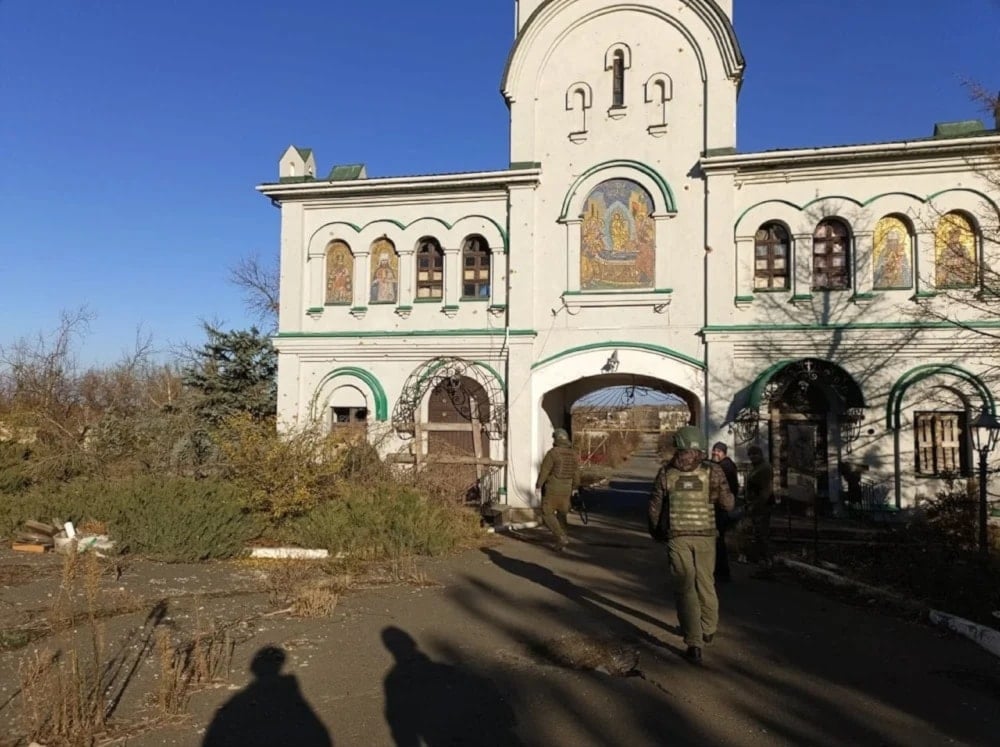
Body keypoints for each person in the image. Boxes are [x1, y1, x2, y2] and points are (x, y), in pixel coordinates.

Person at [648, 427, 735, 664]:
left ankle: (693, 642)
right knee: (705, 582)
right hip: (706, 535)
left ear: (679, 446)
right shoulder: (713, 471)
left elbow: (654, 506)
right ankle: (708, 629)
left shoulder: (666, 472)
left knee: (684, 588)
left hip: (678, 537)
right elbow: (727, 504)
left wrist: (656, 532)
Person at [535, 428, 580, 551]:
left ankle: (561, 537)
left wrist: (538, 485)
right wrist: (575, 487)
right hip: (566, 491)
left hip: (553, 489)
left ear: (556, 439)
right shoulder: (574, 454)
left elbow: (545, 471)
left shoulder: (553, 453)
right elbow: (576, 473)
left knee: (547, 513)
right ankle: (562, 541)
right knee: (562, 515)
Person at [710, 441, 740, 582]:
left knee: (718, 539)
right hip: (723, 506)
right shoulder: (724, 465)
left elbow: (720, 489)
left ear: (724, 453)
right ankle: (721, 569)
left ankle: (721, 570)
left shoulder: (724, 467)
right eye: (714, 450)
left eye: (718, 451)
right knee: (718, 538)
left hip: (722, 508)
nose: (715, 453)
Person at [745, 444, 774, 570]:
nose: (752, 457)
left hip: (761, 506)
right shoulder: (756, 467)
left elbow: (765, 491)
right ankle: (762, 564)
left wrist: (756, 505)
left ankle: (767, 563)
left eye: (755, 454)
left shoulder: (764, 468)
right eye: (750, 454)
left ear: (760, 454)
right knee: (758, 535)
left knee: (762, 536)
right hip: (755, 504)